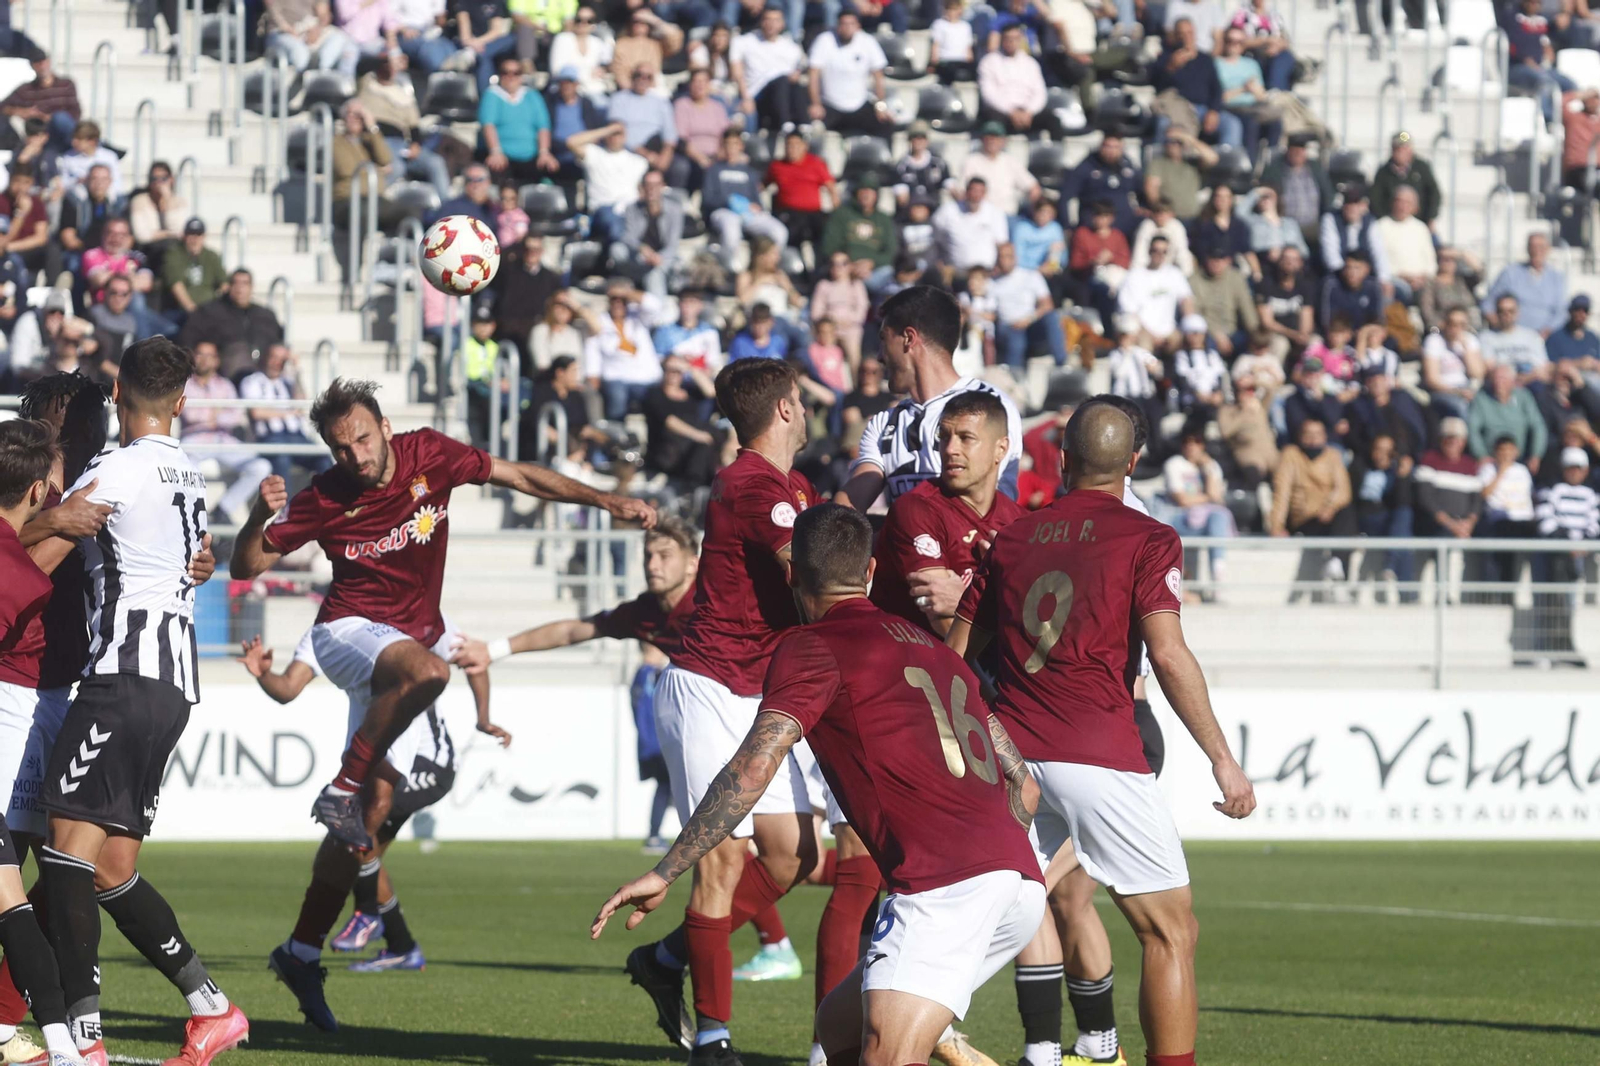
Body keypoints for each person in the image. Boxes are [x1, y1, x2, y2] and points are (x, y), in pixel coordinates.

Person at [595, 503, 1044, 1066]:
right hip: (1019, 882)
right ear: (872, 571)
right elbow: (1024, 783)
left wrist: (666, 870)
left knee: (885, 1052)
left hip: (942, 887)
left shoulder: (811, 646)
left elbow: (751, 769)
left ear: (791, 575)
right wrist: (997, 861)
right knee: (837, 1036)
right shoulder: (937, 651)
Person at [950, 401, 1254, 1066]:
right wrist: (1223, 761)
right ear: (1135, 463)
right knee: (1170, 934)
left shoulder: (1012, 538)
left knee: (956, 930)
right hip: (1098, 756)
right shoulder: (1148, 537)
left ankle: (874, 1033)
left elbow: (954, 662)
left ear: (1062, 459)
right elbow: (1169, 657)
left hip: (1013, 758)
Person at [227, 378, 654, 849]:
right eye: (341, 448)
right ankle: (341, 787)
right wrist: (254, 519)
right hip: (344, 631)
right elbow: (245, 568)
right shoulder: (324, 497)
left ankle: (328, 921)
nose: (357, 455)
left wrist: (606, 500)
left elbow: (520, 477)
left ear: (386, 427)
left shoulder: (430, 453)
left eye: (364, 438)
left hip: (404, 642)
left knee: (372, 816)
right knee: (430, 673)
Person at [28, 339, 246, 1066]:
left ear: (119, 395)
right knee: (110, 864)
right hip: (173, 683)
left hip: (121, 675)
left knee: (64, 853)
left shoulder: (113, 470)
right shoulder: (190, 468)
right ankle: (212, 1007)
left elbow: (33, 558)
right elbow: (184, 554)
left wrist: (48, 523)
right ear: (182, 401)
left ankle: (82, 1040)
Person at [616, 360, 818, 1064]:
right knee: (722, 860)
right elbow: (815, 573)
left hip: (759, 692)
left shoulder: (792, 487)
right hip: (708, 687)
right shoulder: (749, 484)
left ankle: (668, 958)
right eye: (802, 397)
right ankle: (713, 1039)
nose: (808, 405)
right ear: (787, 409)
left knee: (795, 858)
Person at [249, 619, 501, 1010]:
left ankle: (368, 914)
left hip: (429, 762)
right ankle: (400, 945)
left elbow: (475, 661)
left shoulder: (417, 614)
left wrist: (483, 717)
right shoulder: (327, 632)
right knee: (359, 844)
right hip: (384, 760)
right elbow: (288, 688)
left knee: (356, 832)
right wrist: (264, 673)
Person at [0, 418, 100, 1066]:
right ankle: (59, 1047)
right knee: (12, 895)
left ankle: (45, 1044)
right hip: (9, 719)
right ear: (39, 491)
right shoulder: (22, 580)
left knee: (11, 890)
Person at [838, 285, 1024, 511]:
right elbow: (849, 506)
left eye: (884, 339)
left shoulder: (991, 406)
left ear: (908, 338)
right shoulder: (884, 423)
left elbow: (990, 509)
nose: (879, 356)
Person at [871, 390, 1023, 635]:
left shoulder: (1018, 522)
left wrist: (971, 600)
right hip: (914, 664)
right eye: (944, 436)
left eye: (966, 438)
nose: (950, 449)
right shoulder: (916, 509)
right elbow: (946, 626)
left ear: (1001, 449)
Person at [182, 341, 275, 525]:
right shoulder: (184, 384)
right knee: (186, 469)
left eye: (210, 355)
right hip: (195, 440)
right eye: (200, 354)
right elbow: (190, 415)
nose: (204, 360)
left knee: (261, 467)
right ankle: (193, 516)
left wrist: (214, 416)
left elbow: (237, 415)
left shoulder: (225, 385)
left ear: (217, 361)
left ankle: (222, 510)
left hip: (223, 439)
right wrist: (218, 411)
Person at [240, 345, 334, 482]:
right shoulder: (251, 381)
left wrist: (296, 371)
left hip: (297, 436)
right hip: (270, 437)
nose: (277, 363)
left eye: (282, 359)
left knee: (323, 458)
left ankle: (330, 501)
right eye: (274, 357)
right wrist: (288, 413)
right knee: (281, 460)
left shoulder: (288, 381)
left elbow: (301, 403)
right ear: (265, 357)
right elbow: (256, 412)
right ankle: (284, 504)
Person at [703, 129, 789, 272]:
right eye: (727, 144)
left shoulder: (749, 172)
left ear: (741, 146)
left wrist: (755, 206)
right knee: (732, 229)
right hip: (724, 212)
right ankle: (728, 269)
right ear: (722, 146)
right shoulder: (714, 170)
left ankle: (767, 266)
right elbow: (708, 199)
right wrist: (729, 203)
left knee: (780, 231)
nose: (731, 148)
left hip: (747, 213)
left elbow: (757, 200)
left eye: (735, 144)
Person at [582, 283, 666, 420]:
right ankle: (617, 437)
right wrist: (592, 375)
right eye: (614, 301)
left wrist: (626, 292)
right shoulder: (600, 322)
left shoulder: (639, 318)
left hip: (647, 378)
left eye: (622, 301)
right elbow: (592, 350)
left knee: (660, 400)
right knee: (617, 397)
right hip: (617, 378)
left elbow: (655, 305)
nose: (618, 304)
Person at [176, 269, 285, 373]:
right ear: (228, 286)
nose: (239, 288)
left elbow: (278, 342)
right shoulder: (210, 312)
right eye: (235, 283)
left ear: (251, 287)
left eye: (245, 283)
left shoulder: (265, 315)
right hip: (223, 374)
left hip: (264, 374)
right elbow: (187, 340)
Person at [807, 11, 892, 137]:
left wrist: (880, 105)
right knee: (811, 131)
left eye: (851, 24)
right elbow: (813, 74)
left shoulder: (868, 42)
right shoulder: (824, 41)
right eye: (843, 24)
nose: (847, 28)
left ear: (858, 26)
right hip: (830, 105)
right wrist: (815, 103)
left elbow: (878, 77)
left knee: (886, 125)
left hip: (859, 104)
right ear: (837, 25)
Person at [478, 56, 557, 184]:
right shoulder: (492, 95)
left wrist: (544, 152)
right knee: (495, 169)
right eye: (506, 72)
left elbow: (543, 126)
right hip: (504, 157)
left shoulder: (532, 96)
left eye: (516, 73)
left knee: (551, 169)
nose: (511, 77)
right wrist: (495, 151)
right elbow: (488, 125)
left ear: (521, 76)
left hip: (531, 156)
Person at [992, 241, 1068, 369]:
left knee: (1052, 317)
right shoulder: (991, 282)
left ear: (1015, 257)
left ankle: (1062, 365)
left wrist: (1028, 319)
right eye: (1002, 256)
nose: (1005, 260)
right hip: (1007, 326)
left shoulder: (1030, 275)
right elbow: (990, 311)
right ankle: (1014, 377)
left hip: (1031, 323)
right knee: (1016, 340)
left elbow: (1047, 304)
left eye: (1008, 256)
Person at [731, 7, 807, 133]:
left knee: (794, 85)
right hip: (756, 95)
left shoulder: (791, 47)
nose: (771, 24)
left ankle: (804, 125)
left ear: (782, 23)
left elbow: (800, 68)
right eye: (767, 19)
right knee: (782, 80)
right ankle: (785, 123)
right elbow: (737, 72)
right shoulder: (744, 41)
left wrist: (797, 74)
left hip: (784, 96)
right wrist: (745, 98)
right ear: (761, 21)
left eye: (776, 20)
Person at [819, 176, 897, 295]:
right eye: (863, 190)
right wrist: (849, 266)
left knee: (889, 277)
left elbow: (891, 251)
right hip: (844, 269)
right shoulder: (841, 214)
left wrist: (872, 263)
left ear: (876, 195)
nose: (866, 195)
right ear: (856, 194)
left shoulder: (884, 219)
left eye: (870, 191)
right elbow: (829, 247)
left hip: (874, 271)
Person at [616, 169, 686, 298]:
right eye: (648, 185)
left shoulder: (675, 210)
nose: (651, 189)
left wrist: (658, 257)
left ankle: (657, 311)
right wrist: (641, 248)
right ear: (642, 187)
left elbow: (673, 244)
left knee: (655, 273)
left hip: (664, 258)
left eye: (655, 185)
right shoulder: (632, 208)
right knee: (617, 250)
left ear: (662, 186)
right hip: (640, 257)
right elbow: (627, 236)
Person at [977, 23, 1055, 137]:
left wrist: (1029, 112)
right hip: (1002, 111)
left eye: (1015, 38)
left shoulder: (1031, 63)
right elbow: (989, 94)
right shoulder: (989, 61)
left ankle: (1056, 154)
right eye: (1008, 38)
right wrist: (1011, 112)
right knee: (992, 121)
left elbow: (1040, 93)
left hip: (1028, 112)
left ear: (1021, 40)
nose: (1011, 42)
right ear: (1002, 39)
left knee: (1053, 120)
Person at [1119, 234, 1194, 353]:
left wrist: (1189, 323)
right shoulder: (1134, 276)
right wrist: (1150, 335)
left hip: (1170, 331)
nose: (1159, 254)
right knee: (1138, 340)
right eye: (1155, 250)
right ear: (1149, 251)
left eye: (1164, 251)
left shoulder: (1174, 274)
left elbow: (1186, 300)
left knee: (1194, 335)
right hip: (1143, 331)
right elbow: (1130, 312)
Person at [1482, 233, 1566, 338]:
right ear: (1527, 249)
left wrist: (1546, 332)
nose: (1537, 251)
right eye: (1533, 246)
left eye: (1541, 247)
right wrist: (1502, 328)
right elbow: (1488, 304)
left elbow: (1561, 312)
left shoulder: (1556, 277)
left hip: (1546, 338)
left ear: (1548, 249)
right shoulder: (1510, 273)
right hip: (1512, 337)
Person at [765, 130, 835, 257]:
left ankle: (824, 266)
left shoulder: (816, 163)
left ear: (805, 146)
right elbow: (763, 185)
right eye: (789, 145)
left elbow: (831, 187)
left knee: (828, 234)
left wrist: (837, 208)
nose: (792, 148)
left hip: (813, 213)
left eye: (796, 144)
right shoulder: (777, 166)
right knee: (790, 234)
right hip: (788, 212)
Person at [1415, 416, 1484, 538]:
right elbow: (1425, 498)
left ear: (1463, 442)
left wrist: (1469, 523)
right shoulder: (1429, 460)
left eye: (1457, 439)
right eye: (1448, 438)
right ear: (1441, 440)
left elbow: (1476, 500)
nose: (1452, 443)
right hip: (1436, 526)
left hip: (1464, 526)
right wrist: (1451, 525)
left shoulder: (1470, 465)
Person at [1061, 134, 1141, 237]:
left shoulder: (1128, 166)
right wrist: (1067, 226)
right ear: (1100, 147)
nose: (1111, 151)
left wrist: (1142, 208)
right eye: (1107, 146)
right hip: (1093, 230)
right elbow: (1065, 197)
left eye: (1116, 147)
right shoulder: (1086, 166)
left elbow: (1141, 191)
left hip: (1124, 229)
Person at [1261, 132, 1334, 242]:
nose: (1297, 154)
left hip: (1313, 226)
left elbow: (1327, 194)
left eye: (1300, 151)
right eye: (1294, 151)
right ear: (1288, 151)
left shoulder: (1316, 168)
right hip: (1284, 226)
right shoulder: (1274, 170)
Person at [1469, 363, 1547, 464]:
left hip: (1520, 459)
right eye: (1496, 379)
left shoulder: (1524, 397)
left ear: (1513, 382)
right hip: (1491, 459)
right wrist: (1481, 455)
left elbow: (1538, 425)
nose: (1498, 383)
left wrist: (1536, 455)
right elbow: (1472, 429)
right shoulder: (1481, 398)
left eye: (1503, 379)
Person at [932, 177, 1009, 275]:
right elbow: (935, 238)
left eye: (980, 191)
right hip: (955, 273)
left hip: (986, 274)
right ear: (966, 192)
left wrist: (999, 266)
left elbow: (1002, 244)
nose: (976, 195)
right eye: (973, 191)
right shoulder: (947, 211)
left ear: (985, 194)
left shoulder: (995, 213)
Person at [1369, 130, 1441, 230]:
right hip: (1392, 224)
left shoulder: (1421, 168)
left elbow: (1433, 193)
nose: (1401, 152)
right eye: (1398, 149)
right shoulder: (1384, 172)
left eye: (1404, 148)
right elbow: (1375, 198)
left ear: (1410, 149)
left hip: (1420, 222)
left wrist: (1430, 217)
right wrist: (1385, 219)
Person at [161, 219, 227, 322]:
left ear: (204, 237)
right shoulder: (174, 254)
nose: (195, 239)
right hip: (182, 311)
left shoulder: (211, 256)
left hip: (209, 310)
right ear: (185, 236)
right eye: (191, 234)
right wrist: (194, 312)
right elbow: (176, 285)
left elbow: (224, 284)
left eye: (198, 235)